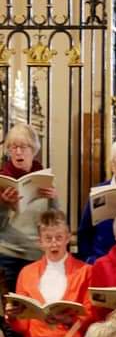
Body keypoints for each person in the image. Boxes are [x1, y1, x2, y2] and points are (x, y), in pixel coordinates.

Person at [7, 209, 93, 337]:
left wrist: (68, 320)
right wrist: (13, 316)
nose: (54, 243)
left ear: (68, 238)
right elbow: (23, 326)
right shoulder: (26, 273)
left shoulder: (86, 271)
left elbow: (92, 316)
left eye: (59, 237)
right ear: (40, 242)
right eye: (48, 238)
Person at [0, 123, 58, 290]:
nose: (18, 152)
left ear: (33, 150)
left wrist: (54, 199)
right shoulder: (2, 180)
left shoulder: (45, 179)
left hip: (36, 254)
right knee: (9, 310)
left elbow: (56, 221)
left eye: (23, 147)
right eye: (13, 147)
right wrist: (4, 205)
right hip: (7, 255)